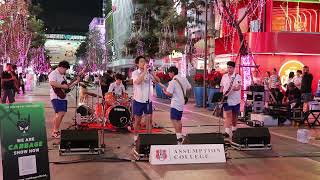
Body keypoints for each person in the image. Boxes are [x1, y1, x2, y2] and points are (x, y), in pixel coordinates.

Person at [132, 56, 160, 144]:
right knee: (137, 121)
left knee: (149, 120)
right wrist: (144, 71)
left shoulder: (148, 73)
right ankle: (136, 137)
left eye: (144, 61)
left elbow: (158, 81)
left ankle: (148, 139)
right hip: (138, 101)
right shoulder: (135, 73)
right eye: (141, 61)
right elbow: (137, 82)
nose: (143, 63)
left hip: (148, 101)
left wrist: (152, 73)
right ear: (137, 64)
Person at [48, 61, 79, 138]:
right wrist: (63, 87)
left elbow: (67, 87)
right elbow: (52, 83)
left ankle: (56, 130)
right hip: (56, 97)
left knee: (60, 115)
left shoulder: (63, 75)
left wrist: (75, 82)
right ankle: (55, 131)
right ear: (61, 67)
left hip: (63, 97)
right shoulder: (53, 73)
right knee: (60, 113)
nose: (65, 71)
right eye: (65, 69)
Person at [162, 66, 191, 143]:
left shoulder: (173, 81)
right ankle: (179, 135)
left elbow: (169, 93)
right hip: (182, 102)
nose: (168, 74)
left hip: (175, 103)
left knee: (174, 119)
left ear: (172, 72)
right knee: (178, 119)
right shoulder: (183, 78)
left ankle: (178, 136)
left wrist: (164, 92)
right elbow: (189, 87)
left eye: (169, 72)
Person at [220, 61, 242, 138]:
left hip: (236, 100)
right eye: (228, 67)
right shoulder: (224, 76)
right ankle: (226, 132)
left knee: (235, 115)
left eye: (230, 67)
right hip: (226, 99)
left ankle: (234, 129)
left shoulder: (237, 76)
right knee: (228, 115)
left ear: (233, 68)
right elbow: (222, 87)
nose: (229, 69)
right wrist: (220, 97)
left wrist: (234, 88)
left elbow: (239, 87)